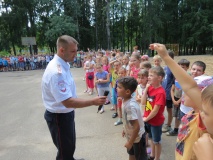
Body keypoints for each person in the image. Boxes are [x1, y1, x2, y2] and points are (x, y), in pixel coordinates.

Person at [41, 35, 107, 160]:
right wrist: (92, 101)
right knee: (64, 152)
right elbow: (67, 101)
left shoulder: (63, 64)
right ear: (61, 50)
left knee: (69, 146)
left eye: (76, 51)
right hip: (59, 116)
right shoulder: (56, 72)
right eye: (73, 51)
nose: (76, 54)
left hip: (64, 114)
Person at [149, 43, 213, 160]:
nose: (202, 114)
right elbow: (190, 86)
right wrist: (165, 57)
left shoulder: (207, 130)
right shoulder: (201, 110)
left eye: (206, 113)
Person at [117, 76, 147, 160]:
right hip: (131, 136)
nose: (116, 88)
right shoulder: (125, 100)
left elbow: (136, 126)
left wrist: (130, 142)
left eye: (119, 87)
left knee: (140, 157)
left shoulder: (130, 106)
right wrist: (125, 129)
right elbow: (128, 120)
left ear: (127, 91)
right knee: (131, 154)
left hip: (137, 139)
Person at [141, 66, 166, 160]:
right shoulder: (150, 88)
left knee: (157, 141)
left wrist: (146, 119)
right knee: (151, 138)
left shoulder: (160, 92)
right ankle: (152, 155)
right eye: (149, 75)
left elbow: (155, 110)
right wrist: (146, 89)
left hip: (155, 121)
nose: (148, 77)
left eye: (151, 75)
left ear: (159, 78)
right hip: (148, 119)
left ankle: (157, 158)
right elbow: (143, 102)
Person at [166, 58, 190, 136]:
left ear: (187, 68)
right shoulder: (175, 76)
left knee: (183, 116)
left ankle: (184, 131)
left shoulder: (187, 78)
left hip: (182, 100)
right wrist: (173, 99)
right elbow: (172, 89)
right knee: (176, 115)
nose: (180, 68)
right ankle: (176, 129)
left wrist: (179, 101)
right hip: (175, 99)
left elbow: (186, 92)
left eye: (183, 67)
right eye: (179, 66)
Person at [162, 50, 175, 133]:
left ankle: (169, 125)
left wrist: (171, 93)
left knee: (169, 109)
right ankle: (162, 123)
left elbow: (174, 83)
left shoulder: (174, 68)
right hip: (163, 92)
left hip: (169, 93)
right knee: (161, 108)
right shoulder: (165, 67)